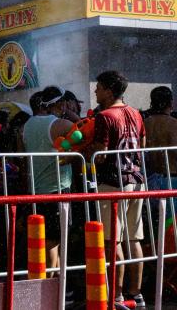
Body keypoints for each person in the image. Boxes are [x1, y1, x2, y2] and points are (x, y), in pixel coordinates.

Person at [88, 71, 146, 309]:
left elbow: (100, 155)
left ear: (109, 91)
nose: (95, 92)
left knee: (113, 241)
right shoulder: (136, 113)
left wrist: (81, 151)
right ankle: (138, 294)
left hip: (113, 183)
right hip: (137, 180)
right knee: (134, 239)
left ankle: (118, 296)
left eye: (99, 88)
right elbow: (143, 144)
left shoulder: (104, 117)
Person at [22, 86, 74, 271]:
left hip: (36, 190)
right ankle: (48, 291)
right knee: (52, 242)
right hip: (56, 189)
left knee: (44, 240)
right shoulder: (59, 124)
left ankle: (56, 289)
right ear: (61, 103)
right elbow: (84, 130)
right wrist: (68, 112)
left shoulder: (27, 125)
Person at [144, 86, 177, 191]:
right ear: (170, 103)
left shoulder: (146, 123)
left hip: (151, 178)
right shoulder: (174, 124)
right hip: (172, 177)